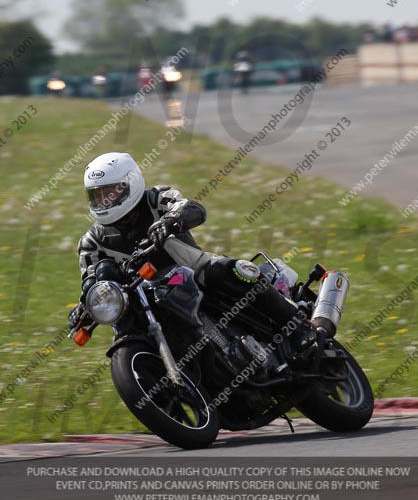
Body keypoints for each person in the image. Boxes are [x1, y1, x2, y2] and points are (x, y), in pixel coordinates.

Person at [67, 152, 315, 359]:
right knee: (125, 328)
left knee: (235, 271)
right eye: (98, 195)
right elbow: (92, 280)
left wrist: (173, 220)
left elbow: (190, 207)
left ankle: (297, 327)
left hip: (193, 272)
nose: (104, 200)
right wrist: (86, 305)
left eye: (110, 192)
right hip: (143, 300)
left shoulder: (154, 199)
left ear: (130, 183)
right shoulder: (91, 242)